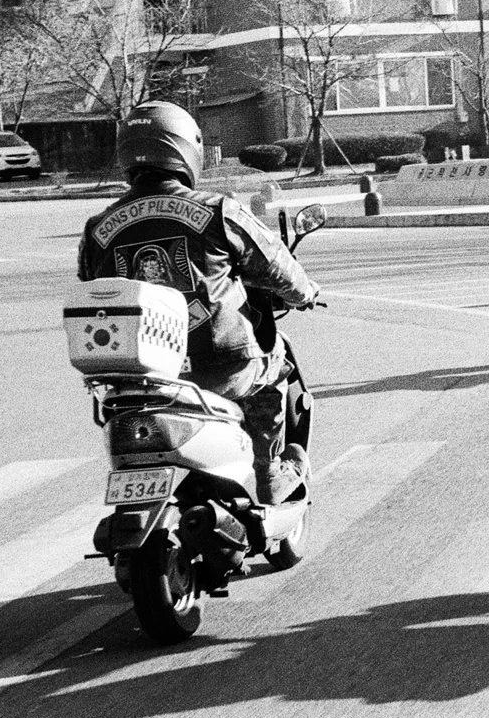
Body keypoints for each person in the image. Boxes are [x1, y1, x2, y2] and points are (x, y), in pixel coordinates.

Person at [79, 101, 320, 504]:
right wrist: (305, 292)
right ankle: (268, 471)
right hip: (220, 368)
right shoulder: (217, 211)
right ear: (186, 147)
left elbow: (92, 288)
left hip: (138, 381)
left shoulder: (97, 230)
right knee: (276, 363)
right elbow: (276, 264)